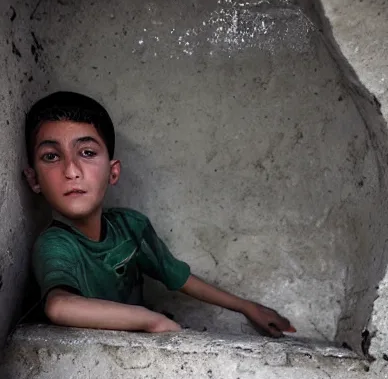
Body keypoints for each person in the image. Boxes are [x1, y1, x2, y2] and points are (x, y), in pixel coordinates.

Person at [23, 91, 296, 337]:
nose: (72, 171)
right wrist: (150, 320)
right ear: (35, 180)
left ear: (113, 171)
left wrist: (246, 307)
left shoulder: (131, 227)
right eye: (51, 156)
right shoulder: (56, 245)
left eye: (87, 152)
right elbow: (59, 306)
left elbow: (177, 275)